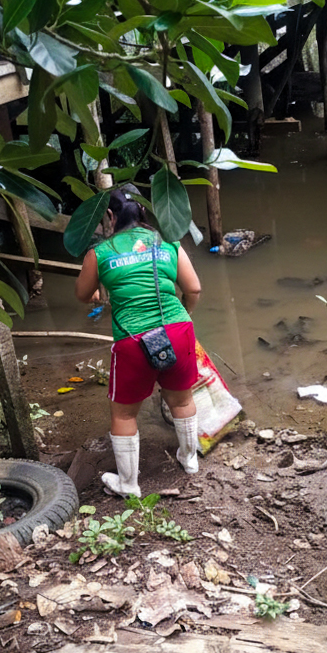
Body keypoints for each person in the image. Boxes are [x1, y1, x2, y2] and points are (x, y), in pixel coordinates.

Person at [74, 185, 202, 497]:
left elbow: (83, 294)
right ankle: (189, 461)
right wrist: (180, 319)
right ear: (144, 210)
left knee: (123, 414)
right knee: (182, 400)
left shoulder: (100, 252)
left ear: (109, 215)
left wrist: (96, 291)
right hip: (178, 329)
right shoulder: (168, 242)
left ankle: (129, 484)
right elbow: (194, 288)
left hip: (133, 339)